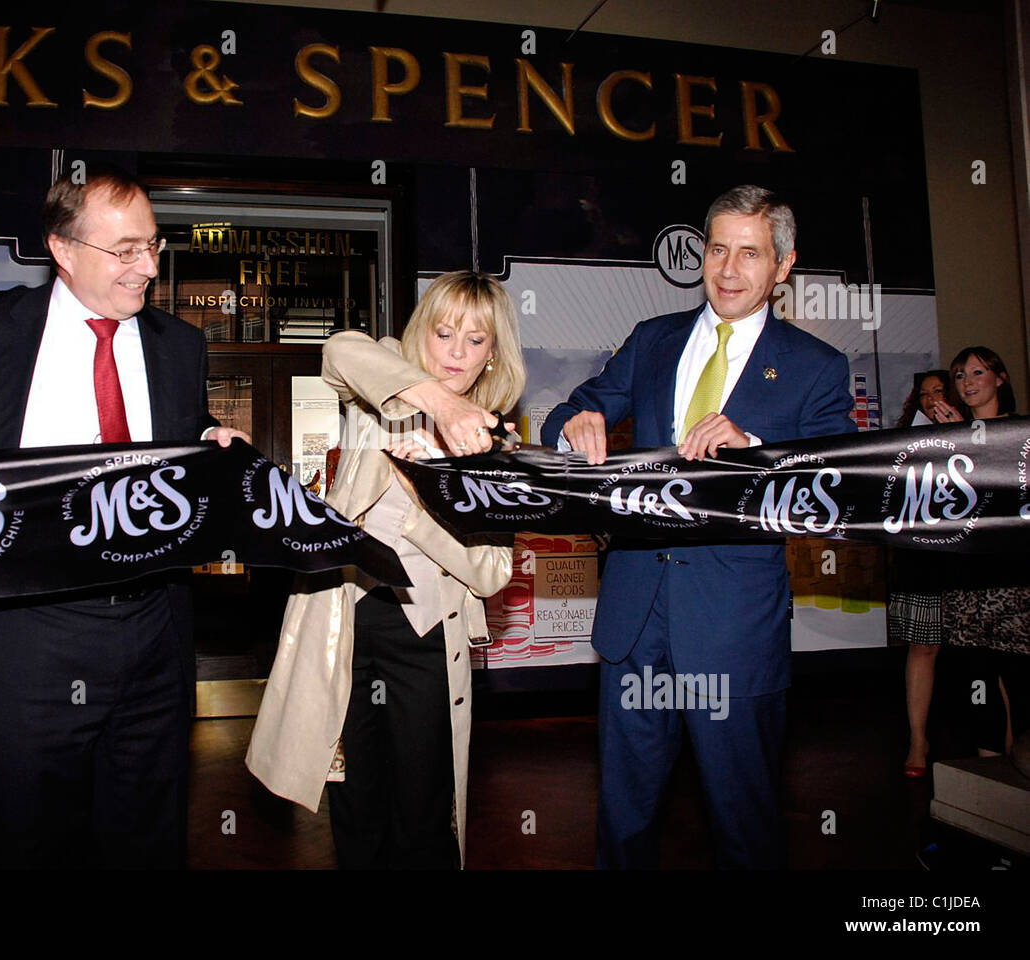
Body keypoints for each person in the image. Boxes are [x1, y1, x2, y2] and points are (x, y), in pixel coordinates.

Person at [0, 167, 248, 868]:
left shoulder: (178, 345)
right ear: (63, 249)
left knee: (149, 838)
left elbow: (182, 427)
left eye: (152, 245)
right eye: (125, 250)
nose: (148, 267)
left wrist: (211, 434)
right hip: (28, 632)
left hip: (155, 631)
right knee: (31, 837)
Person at [541, 185, 854, 869]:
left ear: (783, 266)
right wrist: (574, 423)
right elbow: (571, 409)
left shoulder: (817, 367)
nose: (729, 268)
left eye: (750, 253)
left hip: (732, 628)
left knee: (743, 825)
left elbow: (840, 489)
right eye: (717, 248)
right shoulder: (654, 341)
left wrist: (756, 449)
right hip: (634, 617)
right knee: (623, 820)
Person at [245, 271, 524, 868]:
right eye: (444, 332)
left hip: (424, 634)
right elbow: (338, 350)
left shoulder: (496, 447)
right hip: (346, 624)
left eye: (475, 341)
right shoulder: (386, 391)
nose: (455, 352)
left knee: (423, 807)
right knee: (353, 798)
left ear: (494, 352)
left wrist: (423, 503)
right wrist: (436, 399)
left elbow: (493, 572)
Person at [940, 346, 1029, 758]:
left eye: (977, 372)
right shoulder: (951, 441)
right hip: (965, 572)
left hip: (1014, 574)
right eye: (960, 375)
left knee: (1017, 670)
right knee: (975, 672)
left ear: (1000, 378)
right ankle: (990, 755)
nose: (968, 382)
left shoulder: (1021, 435)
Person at [889, 370, 959, 777]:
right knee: (923, 646)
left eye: (939, 391)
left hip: (971, 559)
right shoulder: (904, 441)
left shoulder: (977, 432)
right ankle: (918, 740)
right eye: (925, 393)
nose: (932, 399)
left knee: (987, 656)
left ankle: (1000, 744)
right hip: (924, 556)